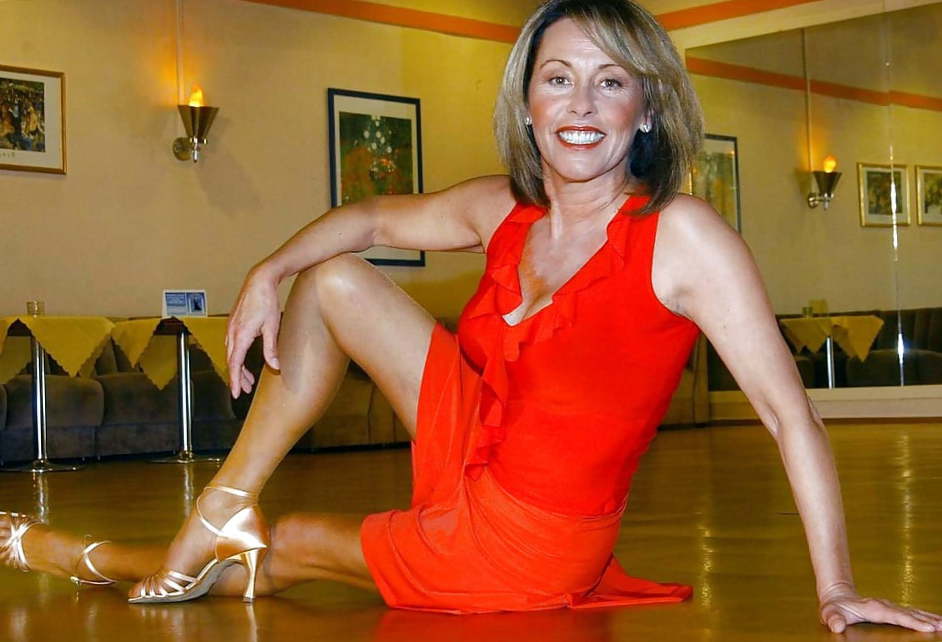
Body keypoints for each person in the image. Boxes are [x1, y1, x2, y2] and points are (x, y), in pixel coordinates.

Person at [2, 0, 940, 633]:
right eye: (558, 78)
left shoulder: (682, 237)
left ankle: (83, 555)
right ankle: (221, 503)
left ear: (648, 108)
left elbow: (787, 414)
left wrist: (838, 587)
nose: (581, 105)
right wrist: (267, 269)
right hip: (474, 451)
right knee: (334, 279)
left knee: (286, 547)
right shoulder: (506, 210)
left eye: (611, 81)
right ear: (526, 105)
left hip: (532, 543)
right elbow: (373, 218)